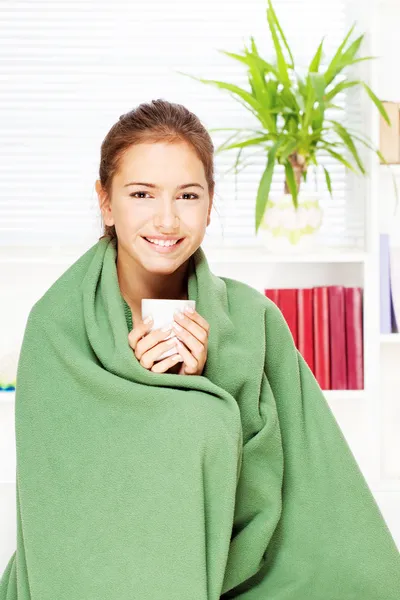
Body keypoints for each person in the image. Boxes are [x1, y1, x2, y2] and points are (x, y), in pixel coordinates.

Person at [1, 99, 400, 600]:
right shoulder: (57, 324)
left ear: (210, 204)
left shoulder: (254, 318)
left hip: (236, 568)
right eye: (142, 193)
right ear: (105, 202)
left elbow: (298, 487)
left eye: (187, 195)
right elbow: (62, 500)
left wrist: (206, 387)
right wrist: (169, 403)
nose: (166, 220)